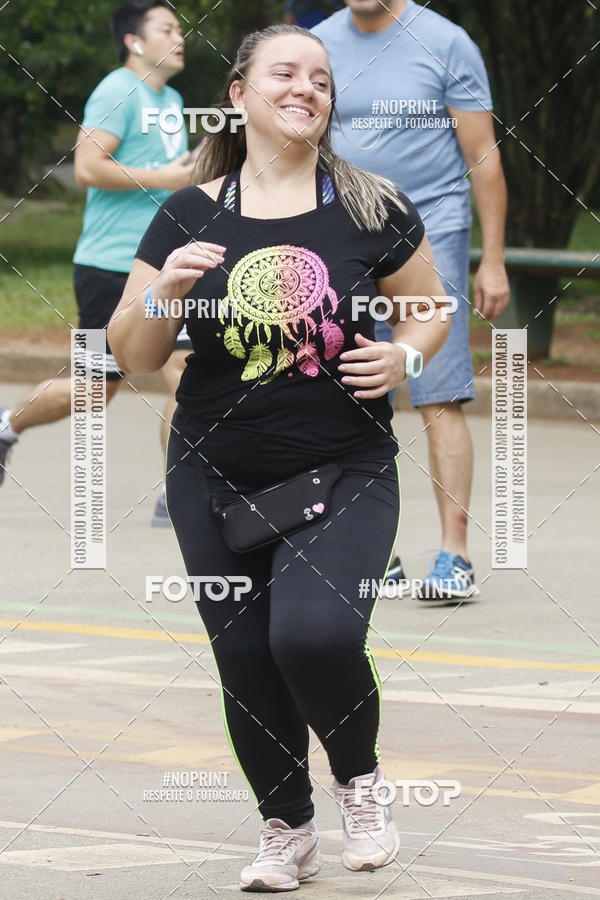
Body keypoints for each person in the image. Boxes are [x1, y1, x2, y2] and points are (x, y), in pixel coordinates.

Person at [108, 23, 450, 893]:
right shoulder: (189, 209)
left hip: (346, 463)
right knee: (247, 657)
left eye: (323, 79)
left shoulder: (372, 203)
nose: (307, 88)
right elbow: (136, 354)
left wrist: (406, 357)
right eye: (286, 73)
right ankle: (287, 828)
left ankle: (361, 783)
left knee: (315, 633)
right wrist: (163, 291)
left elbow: (431, 306)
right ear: (239, 93)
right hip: (215, 470)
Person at [313, 0, 511, 600]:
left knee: (437, 392)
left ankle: (454, 555)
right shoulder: (316, 45)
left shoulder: (446, 43)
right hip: (343, 228)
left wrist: (494, 259)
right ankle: (375, 553)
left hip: (433, 230)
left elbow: (482, 153)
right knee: (341, 390)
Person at [0, 0, 194, 526]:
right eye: (167, 28)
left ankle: (180, 496)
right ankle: (6, 424)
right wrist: (168, 179)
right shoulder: (118, 90)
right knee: (94, 393)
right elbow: (88, 167)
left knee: (184, 371)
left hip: (165, 266)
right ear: (135, 41)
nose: (180, 36)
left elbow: (171, 174)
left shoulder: (171, 97)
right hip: (110, 267)